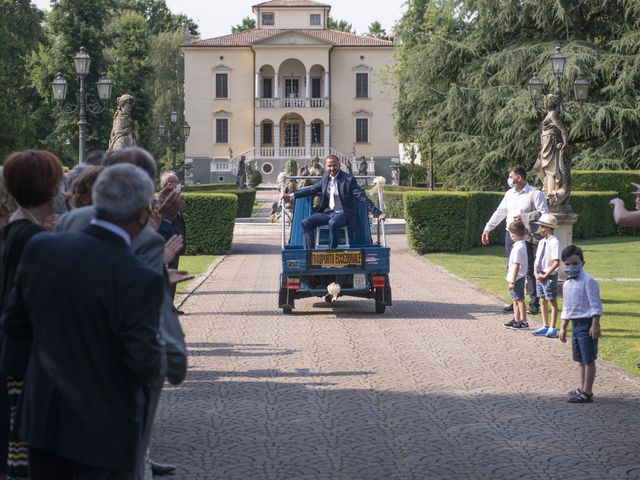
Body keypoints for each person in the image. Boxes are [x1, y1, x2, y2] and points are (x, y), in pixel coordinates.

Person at [2, 163, 165, 479]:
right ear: (143, 213)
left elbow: (14, 325)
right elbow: (144, 362)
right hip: (106, 428)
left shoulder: (41, 248)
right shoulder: (139, 277)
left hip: (43, 420)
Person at [55, 148, 185, 479]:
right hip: (113, 383)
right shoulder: (146, 240)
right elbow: (140, 295)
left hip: (56, 383)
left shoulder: (64, 226)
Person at [0, 150, 63, 480]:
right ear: (52, 189)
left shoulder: (16, 231)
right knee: (29, 451)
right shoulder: (34, 239)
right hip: (31, 360)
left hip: (16, 355)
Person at [482, 165, 548, 315]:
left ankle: (534, 303)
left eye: (511, 176)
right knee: (512, 267)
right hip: (511, 235)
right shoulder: (509, 194)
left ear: (519, 178)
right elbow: (500, 212)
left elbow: (544, 213)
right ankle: (515, 301)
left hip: (528, 235)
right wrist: (488, 228)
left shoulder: (534, 193)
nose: (509, 179)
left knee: (530, 269)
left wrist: (525, 217)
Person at [281, 155, 385, 250]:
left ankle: (331, 254)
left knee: (333, 222)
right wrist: (290, 196)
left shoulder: (348, 180)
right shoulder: (326, 176)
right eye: (329, 166)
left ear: (339, 165)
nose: (332, 168)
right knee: (306, 222)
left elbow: (362, 197)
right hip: (328, 213)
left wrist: (378, 213)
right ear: (326, 167)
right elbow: (312, 189)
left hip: (344, 213)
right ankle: (309, 254)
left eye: (334, 165)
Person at [559, 245, 602, 404]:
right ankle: (582, 387)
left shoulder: (588, 281)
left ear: (582, 263)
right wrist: (563, 327)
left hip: (587, 324)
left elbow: (595, 305)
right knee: (580, 359)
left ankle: (587, 391)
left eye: (575, 263)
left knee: (588, 358)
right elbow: (567, 307)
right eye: (567, 264)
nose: (571, 267)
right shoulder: (567, 284)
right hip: (575, 325)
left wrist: (595, 324)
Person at [533, 94, 570, 206]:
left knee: (550, 170)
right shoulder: (550, 114)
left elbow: (563, 130)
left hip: (551, 143)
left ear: (551, 103)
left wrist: (564, 143)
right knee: (537, 167)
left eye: (547, 101)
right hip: (545, 143)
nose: (545, 103)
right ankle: (547, 188)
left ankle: (550, 194)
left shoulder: (553, 114)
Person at [531, 213, 561, 338]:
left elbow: (556, 262)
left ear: (548, 227)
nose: (541, 228)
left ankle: (553, 327)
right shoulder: (542, 242)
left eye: (542, 226)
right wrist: (535, 272)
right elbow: (537, 258)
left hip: (549, 275)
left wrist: (546, 274)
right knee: (542, 300)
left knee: (552, 300)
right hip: (540, 274)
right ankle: (545, 325)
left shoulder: (555, 242)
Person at [503, 221, 528, 330]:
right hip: (515, 277)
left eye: (512, 234)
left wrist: (512, 281)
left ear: (517, 234)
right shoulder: (518, 245)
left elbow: (517, 265)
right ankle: (516, 319)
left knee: (519, 299)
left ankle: (524, 321)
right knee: (514, 299)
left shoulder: (519, 248)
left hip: (517, 278)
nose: (511, 236)